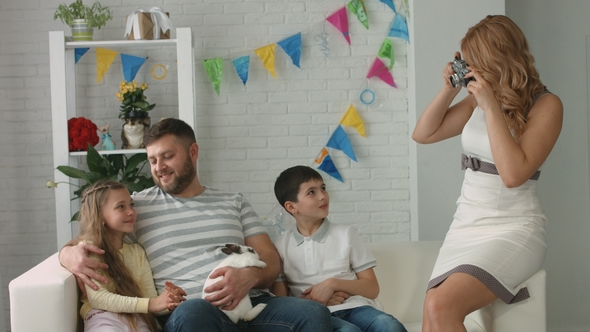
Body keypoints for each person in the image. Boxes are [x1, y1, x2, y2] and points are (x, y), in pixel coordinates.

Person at [59, 118, 333, 332]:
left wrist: (249, 277)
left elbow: (270, 259)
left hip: (254, 303)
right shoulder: (136, 207)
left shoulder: (233, 201)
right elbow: (97, 229)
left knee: (313, 313)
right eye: (152, 160)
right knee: (195, 312)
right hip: (192, 312)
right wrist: (67, 254)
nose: (158, 167)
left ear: (193, 152)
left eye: (167, 156)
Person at [411, 15, 563, 332]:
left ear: (497, 59)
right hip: (466, 223)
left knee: (440, 306)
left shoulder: (545, 105)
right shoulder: (476, 99)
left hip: (514, 228)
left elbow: (512, 175)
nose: (470, 68)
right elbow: (423, 134)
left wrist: (490, 105)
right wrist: (448, 89)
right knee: (431, 315)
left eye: (474, 61)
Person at [271, 165, 407, 332]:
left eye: (323, 188)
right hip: (312, 315)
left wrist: (332, 284)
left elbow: (372, 288)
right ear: (291, 207)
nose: (323, 196)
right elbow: (280, 302)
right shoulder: (279, 245)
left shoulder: (346, 234)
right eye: (311, 192)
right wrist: (314, 301)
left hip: (355, 307)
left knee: (389, 325)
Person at [76, 179, 186, 332]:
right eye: (121, 207)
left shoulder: (137, 252)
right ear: (100, 216)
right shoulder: (89, 251)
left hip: (138, 319)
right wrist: (151, 304)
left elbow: (149, 296)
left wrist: (169, 301)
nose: (131, 212)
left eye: (131, 205)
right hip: (103, 317)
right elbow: (98, 298)